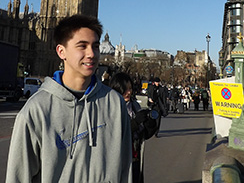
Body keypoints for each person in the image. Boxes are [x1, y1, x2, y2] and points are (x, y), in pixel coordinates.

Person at [5, 14, 132, 183]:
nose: (91, 54)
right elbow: (18, 177)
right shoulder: (36, 110)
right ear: (61, 51)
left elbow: (125, 169)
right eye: (82, 46)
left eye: (95, 46)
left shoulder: (115, 104)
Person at [110, 72, 157, 183]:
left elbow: (144, 134)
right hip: (119, 158)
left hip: (135, 155)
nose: (129, 92)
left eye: (130, 88)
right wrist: (135, 122)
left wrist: (150, 124)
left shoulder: (135, 105)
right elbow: (115, 133)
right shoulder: (111, 108)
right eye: (125, 89)